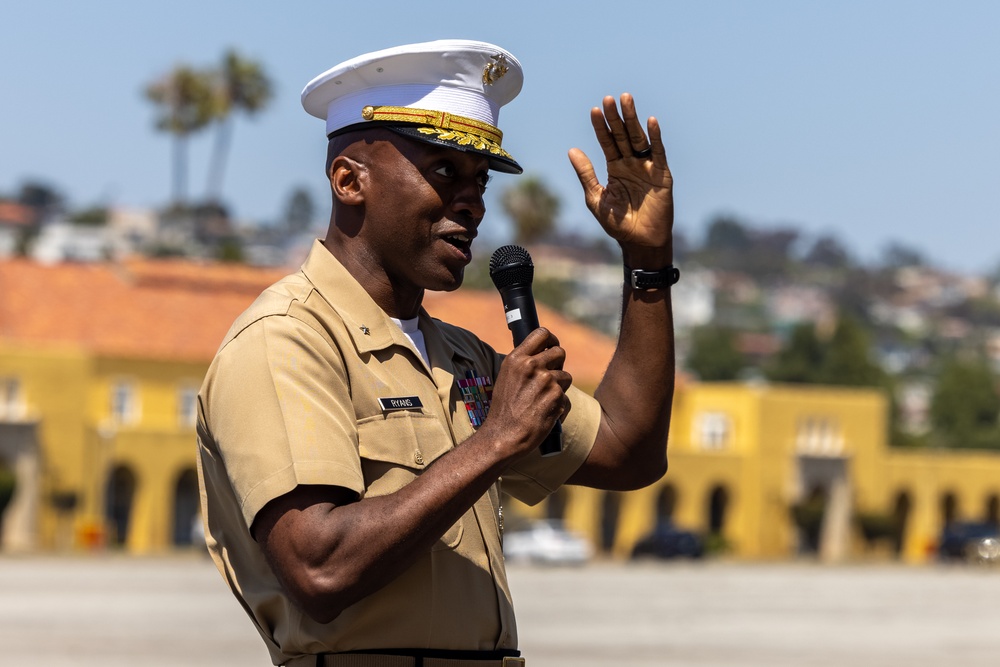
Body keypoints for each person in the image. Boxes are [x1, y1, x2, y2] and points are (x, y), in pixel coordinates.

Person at [196, 39, 676, 667]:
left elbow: (629, 449)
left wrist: (647, 261)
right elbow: (319, 569)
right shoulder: (286, 340)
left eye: (480, 181)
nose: (472, 202)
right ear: (348, 180)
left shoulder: (457, 357)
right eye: (443, 171)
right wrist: (494, 443)